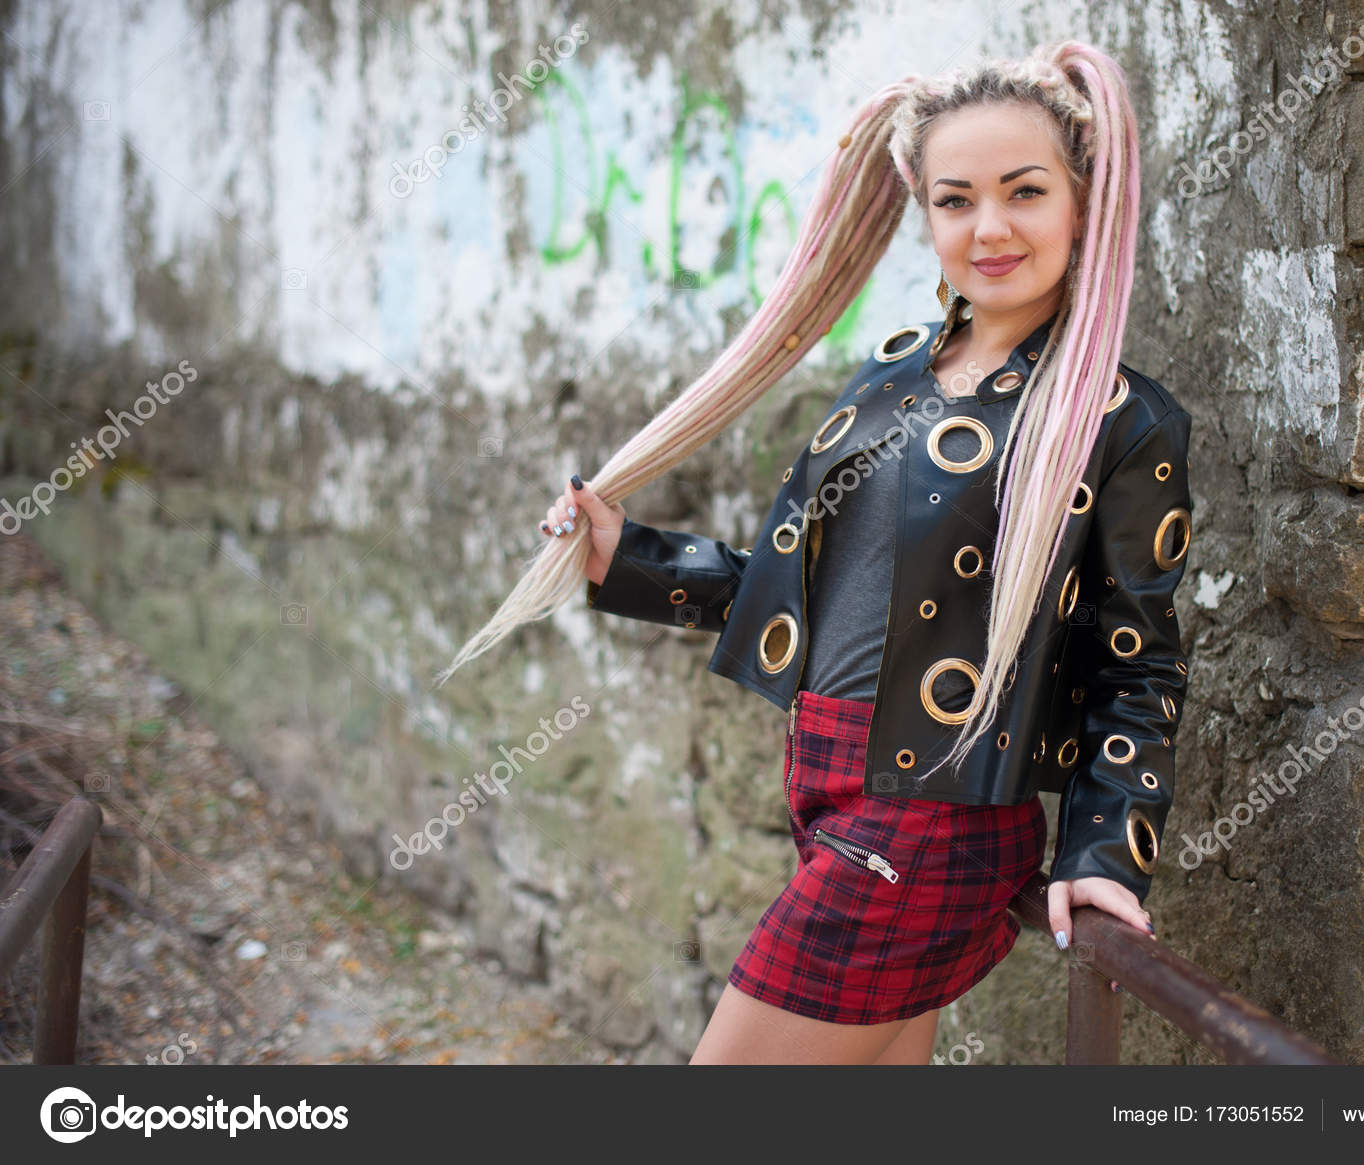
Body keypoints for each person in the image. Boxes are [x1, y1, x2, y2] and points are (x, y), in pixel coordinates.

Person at [435, 39, 1191, 1064]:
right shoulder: (888, 376)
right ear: (923, 214)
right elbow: (795, 591)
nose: (991, 227)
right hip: (827, 772)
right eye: (955, 200)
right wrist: (628, 557)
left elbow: (1135, 662)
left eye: (1024, 191)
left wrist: (1106, 851)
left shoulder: (1119, 418)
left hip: (934, 815)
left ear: (1082, 200)